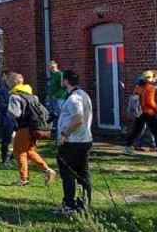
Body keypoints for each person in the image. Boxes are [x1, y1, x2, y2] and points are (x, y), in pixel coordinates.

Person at [53, 69, 93, 216]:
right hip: (84, 140)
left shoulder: (74, 98)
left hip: (74, 142)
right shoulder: (84, 95)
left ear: (66, 82)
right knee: (83, 174)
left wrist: (64, 133)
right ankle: (84, 205)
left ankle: (69, 205)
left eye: (62, 80)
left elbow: (78, 118)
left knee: (68, 173)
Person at [6, 72, 57, 187]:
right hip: (35, 128)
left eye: (8, 81)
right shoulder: (32, 95)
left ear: (13, 82)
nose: (7, 83)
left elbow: (15, 113)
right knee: (29, 151)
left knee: (19, 152)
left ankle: (24, 179)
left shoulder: (14, 96)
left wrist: (8, 111)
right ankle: (48, 171)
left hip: (23, 128)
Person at [123, 70, 157, 158]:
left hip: (139, 111)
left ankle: (127, 147)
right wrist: (156, 108)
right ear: (150, 79)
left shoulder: (138, 86)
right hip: (148, 112)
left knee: (137, 130)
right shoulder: (150, 88)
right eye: (155, 79)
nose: (155, 80)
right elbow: (150, 102)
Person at [0, 70, 15, 167]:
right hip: (7, 118)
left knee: (18, 139)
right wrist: (10, 106)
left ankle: (12, 158)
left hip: (16, 119)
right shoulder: (3, 90)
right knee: (6, 140)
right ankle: (4, 160)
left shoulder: (16, 90)